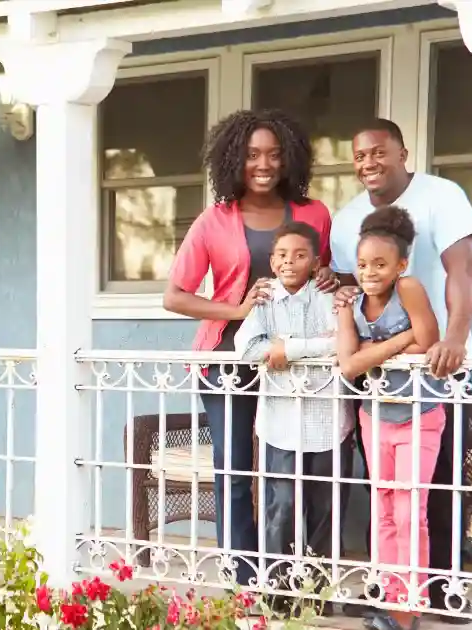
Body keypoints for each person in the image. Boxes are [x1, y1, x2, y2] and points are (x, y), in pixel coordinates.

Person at [164, 109, 337, 586]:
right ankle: (244, 575)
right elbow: (174, 295)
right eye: (252, 155)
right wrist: (235, 311)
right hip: (228, 359)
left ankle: (300, 572)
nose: (264, 164)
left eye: (274, 155)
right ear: (233, 159)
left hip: (299, 364)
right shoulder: (213, 220)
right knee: (236, 469)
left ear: (290, 159)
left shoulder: (314, 213)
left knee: (305, 468)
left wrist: (329, 275)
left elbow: (332, 278)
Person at [329, 119, 472, 624]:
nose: (369, 163)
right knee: (387, 493)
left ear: (402, 153)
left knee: (433, 491)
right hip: (379, 383)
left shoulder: (442, 195)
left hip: (438, 370)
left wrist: (454, 338)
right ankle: (392, 590)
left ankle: (439, 594)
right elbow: (357, 291)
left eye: (379, 152)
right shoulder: (349, 217)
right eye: (359, 155)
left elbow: (463, 269)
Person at [233, 222, 352, 617]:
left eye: (300, 255)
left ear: (316, 261)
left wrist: (289, 348)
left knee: (325, 508)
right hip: (280, 424)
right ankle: (278, 595)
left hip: (328, 423)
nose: (290, 262)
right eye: (282, 255)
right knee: (281, 507)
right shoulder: (264, 300)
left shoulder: (328, 296)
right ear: (272, 260)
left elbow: (343, 343)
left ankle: (318, 595)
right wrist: (286, 349)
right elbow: (247, 349)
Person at [336, 206, 446, 630]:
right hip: (374, 415)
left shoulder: (410, 288)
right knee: (382, 508)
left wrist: (374, 351)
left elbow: (431, 340)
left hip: (420, 413)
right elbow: (349, 366)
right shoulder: (349, 303)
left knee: (409, 511)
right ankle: (387, 595)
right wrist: (403, 340)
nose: (369, 272)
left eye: (380, 264)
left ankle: (408, 607)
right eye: (362, 264)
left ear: (401, 264)